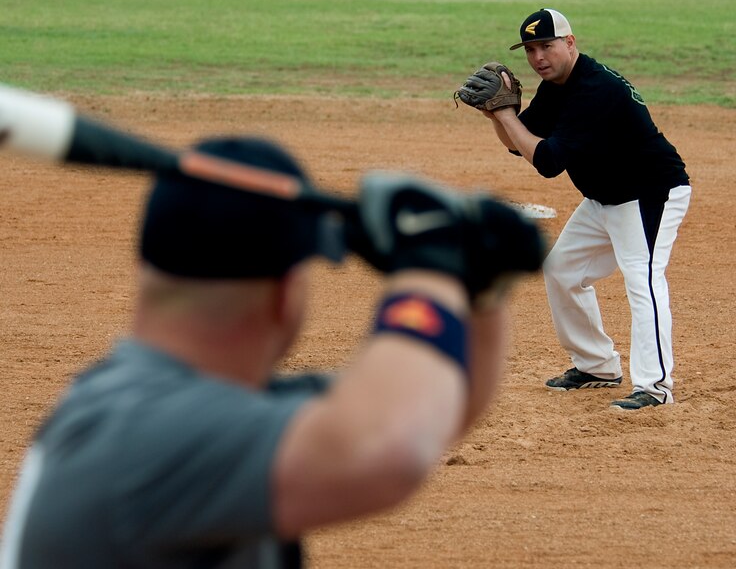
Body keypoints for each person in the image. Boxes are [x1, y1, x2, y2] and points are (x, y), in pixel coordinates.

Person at [0, 136, 543, 567]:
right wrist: (429, 262)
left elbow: (438, 405)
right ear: (286, 295)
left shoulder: (156, 409)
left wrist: (479, 291)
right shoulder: (143, 433)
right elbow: (388, 446)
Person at [483, 8, 691, 410]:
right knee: (562, 269)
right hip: (605, 198)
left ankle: (655, 386)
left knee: (643, 279)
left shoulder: (595, 89)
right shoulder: (557, 86)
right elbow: (518, 142)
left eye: (546, 45)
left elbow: (546, 161)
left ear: (570, 42)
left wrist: (504, 114)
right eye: (530, 49)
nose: (538, 57)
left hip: (649, 192)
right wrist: (496, 115)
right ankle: (597, 365)